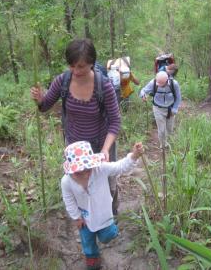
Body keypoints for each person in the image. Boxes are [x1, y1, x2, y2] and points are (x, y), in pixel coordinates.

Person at [30, 38, 121, 215]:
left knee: (108, 182)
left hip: (100, 143)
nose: (75, 70)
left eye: (80, 66)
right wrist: (40, 100)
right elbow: (45, 105)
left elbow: (115, 121)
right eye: (71, 65)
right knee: (81, 185)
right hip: (75, 147)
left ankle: (111, 213)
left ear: (91, 64)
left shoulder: (104, 87)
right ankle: (88, 218)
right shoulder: (62, 81)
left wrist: (105, 149)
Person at [61, 141, 144, 270]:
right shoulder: (66, 182)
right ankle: (92, 258)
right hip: (84, 217)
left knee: (107, 235)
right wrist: (76, 217)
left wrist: (134, 156)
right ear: (71, 170)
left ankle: (112, 231)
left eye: (87, 169)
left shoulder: (100, 169)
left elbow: (120, 167)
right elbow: (69, 200)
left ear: (92, 164)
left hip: (103, 213)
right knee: (87, 240)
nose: (84, 173)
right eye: (78, 172)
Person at [140, 71, 181, 149]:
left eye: (161, 83)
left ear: (166, 80)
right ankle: (163, 146)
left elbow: (178, 97)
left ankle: (167, 142)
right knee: (162, 130)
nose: (158, 84)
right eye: (158, 82)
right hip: (158, 109)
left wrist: (174, 109)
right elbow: (143, 90)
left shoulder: (174, 84)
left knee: (169, 129)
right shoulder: (153, 82)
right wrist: (143, 95)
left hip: (170, 109)